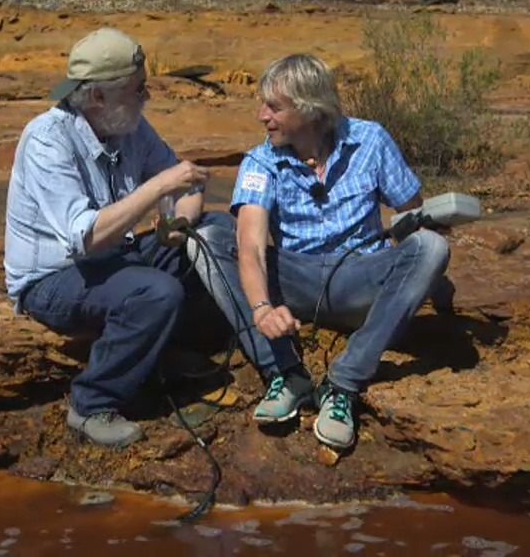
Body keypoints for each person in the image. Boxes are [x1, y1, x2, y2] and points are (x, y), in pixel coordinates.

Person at [191, 54, 450, 450]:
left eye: (274, 107)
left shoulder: (371, 140)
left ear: (310, 110)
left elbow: (413, 216)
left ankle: (343, 385)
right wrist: (262, 307)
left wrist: (426, 274)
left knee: (431, 246)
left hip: (359, 278)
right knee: (208, 237)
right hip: (293, 282)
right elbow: (251, 247)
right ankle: (284, 372)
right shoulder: (261, 161)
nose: (262, 116)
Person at [4, 27, 232, 448]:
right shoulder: (46, 141)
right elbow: (84, 239)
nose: (146, 97)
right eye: (137, 89)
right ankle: (92, 405)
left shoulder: (129, 126)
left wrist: (179, 224)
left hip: (114, 259)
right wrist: (158, 189)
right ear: (97, 97)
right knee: (155, 292)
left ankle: (162, 352)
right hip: (54, 278)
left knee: (213, 236)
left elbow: (186, 185)